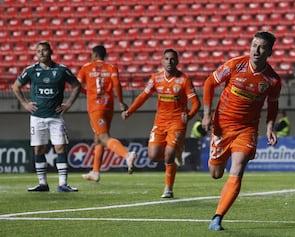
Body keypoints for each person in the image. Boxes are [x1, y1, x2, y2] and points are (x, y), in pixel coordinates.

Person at [202, 31, 282, 230]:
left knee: (237, 169)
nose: (257, 50)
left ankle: (217, 218)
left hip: (247, 129)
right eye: (254, 45)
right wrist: (206, 114)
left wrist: (270, 126)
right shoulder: (235, 65)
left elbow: (273, 105)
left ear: (270, 52)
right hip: (222, 126)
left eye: (262, 47)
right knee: (216, 173)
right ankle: (219, 168)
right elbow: (209, 83)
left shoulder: (273, 80)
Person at [121, 48, 200, 198]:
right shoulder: (155, 78)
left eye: (172, 59)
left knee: (168, 156)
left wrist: (189, 116)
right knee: (153, 155)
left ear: (177, 61)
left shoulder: (183, 80)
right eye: (166, 59)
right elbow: (143, 96)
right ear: (162, 61)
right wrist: (129, 111)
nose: (169, 62)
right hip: (160, 122)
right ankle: (178, 151)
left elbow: (196, 103)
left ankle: (168, 189)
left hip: (177, 122)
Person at [12, 41, 81, 192]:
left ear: (51, 52)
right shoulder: (30, 70)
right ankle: (42, 183)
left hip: (55, 117)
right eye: (38, 51)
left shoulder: (62, 70)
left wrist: (68, 104)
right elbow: (16, 86)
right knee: (38, 149)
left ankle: (63, 184)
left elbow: (77, 85)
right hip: (37, 117)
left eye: (44, 50)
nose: (41, 53)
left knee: (60, 147)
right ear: (36, 54)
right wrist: (25, 104)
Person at [77, 45, 137, 182]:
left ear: (94, 55)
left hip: (95, 107)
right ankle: (95, 172)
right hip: (108, 107)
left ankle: (127, 155)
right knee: (98, 138)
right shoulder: (111, 67)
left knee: (104, 137)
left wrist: (88, 93)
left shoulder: (86, 68)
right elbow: (117, 84)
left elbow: (77, 85)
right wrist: (121, 101)